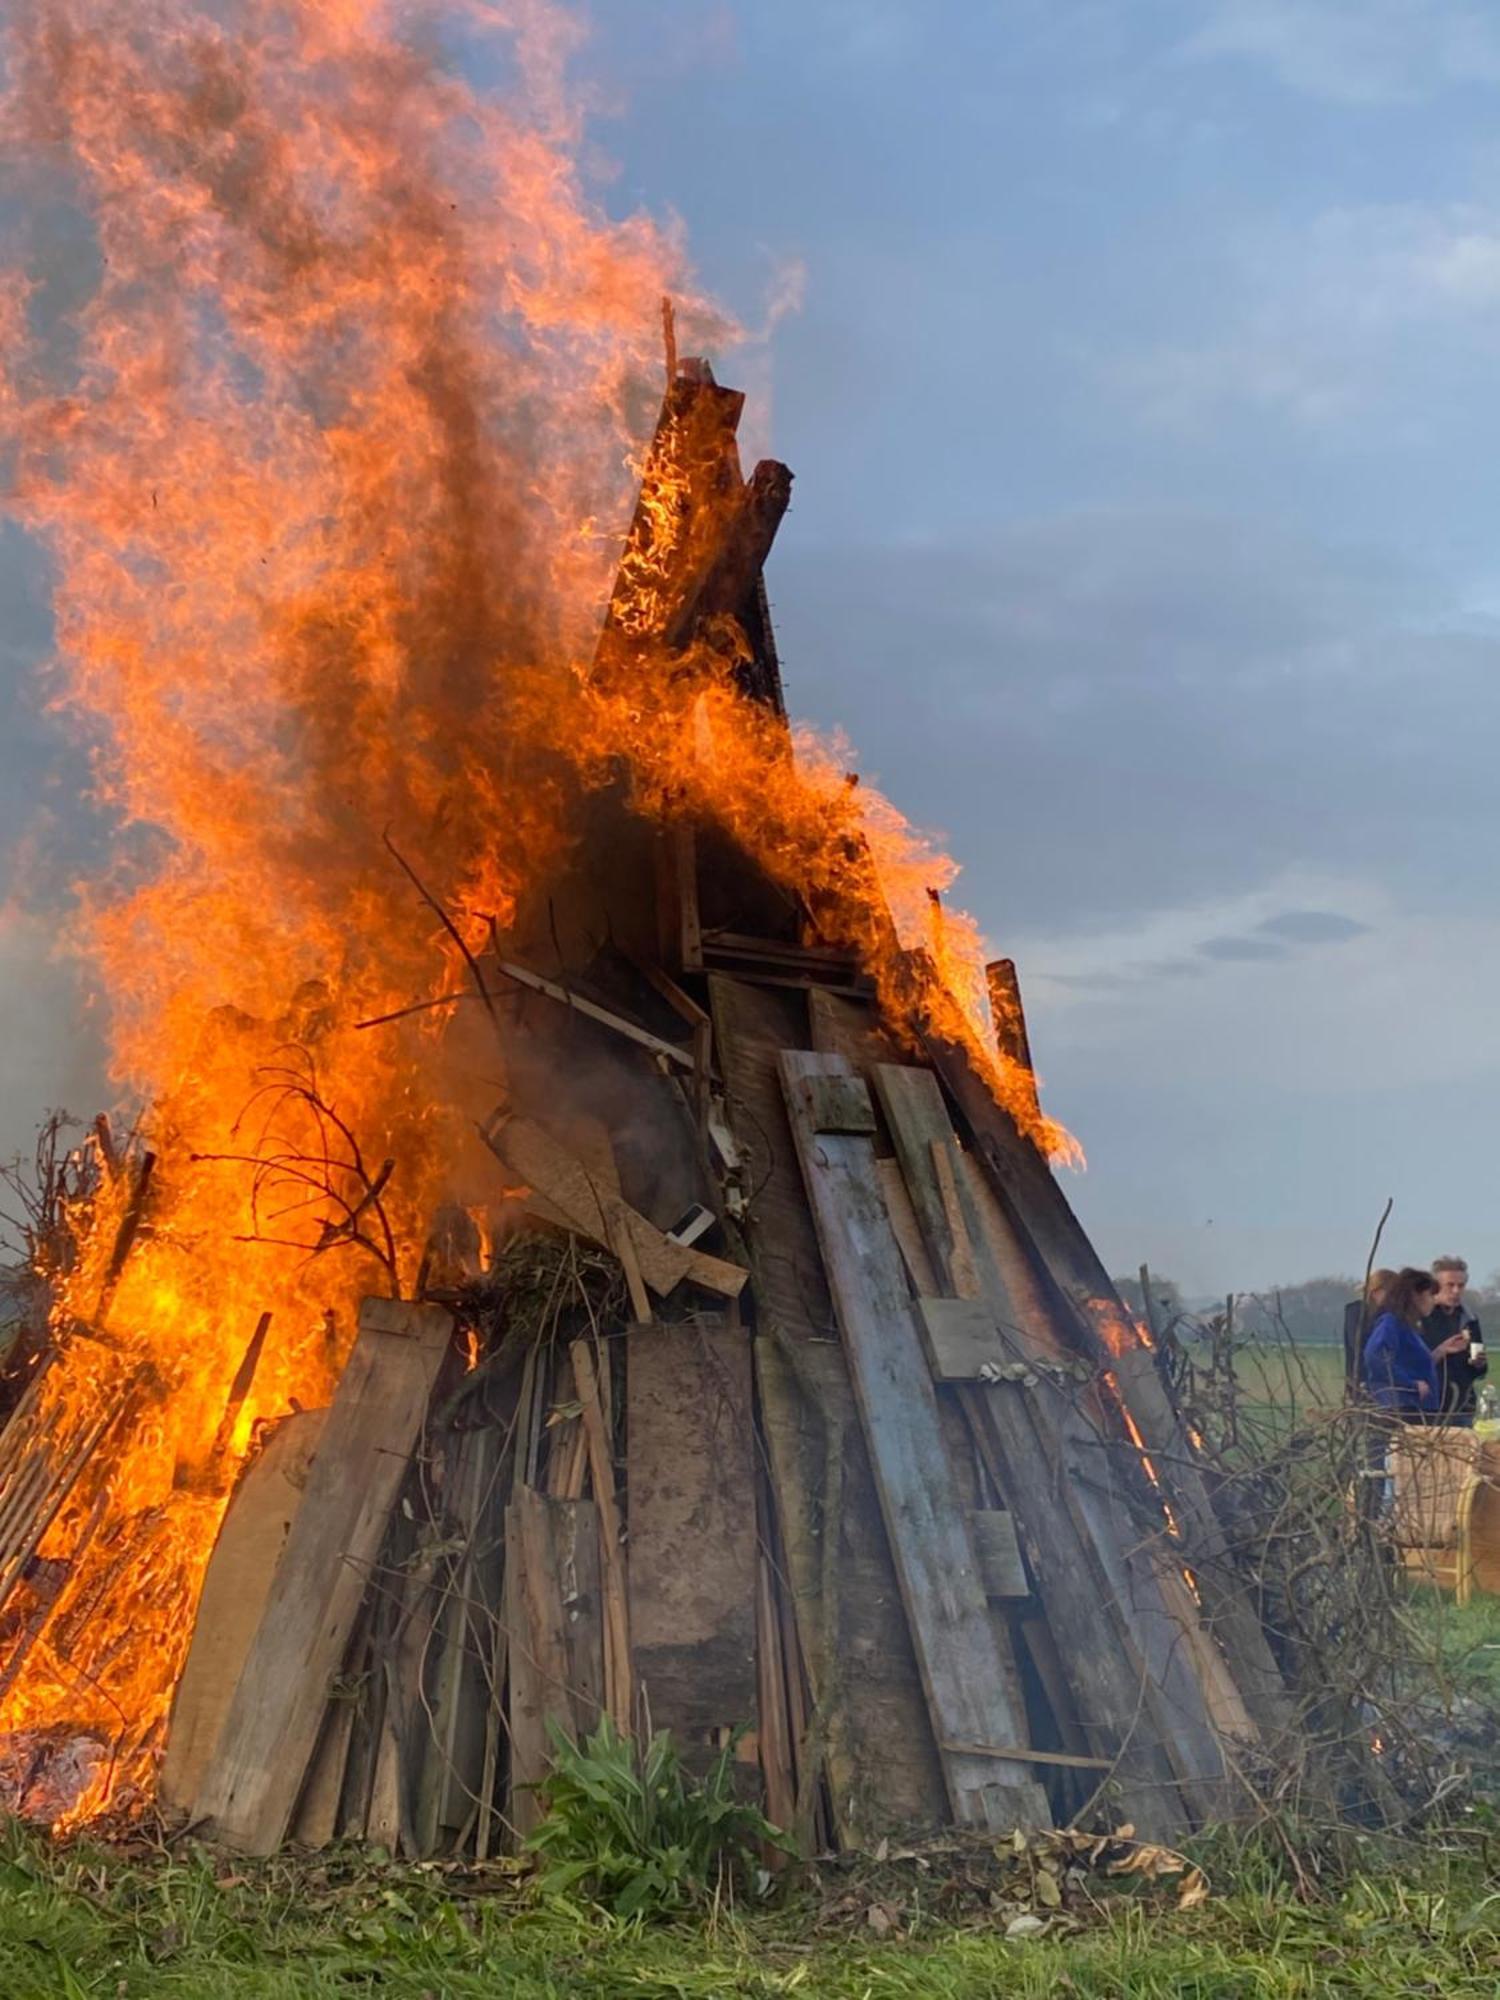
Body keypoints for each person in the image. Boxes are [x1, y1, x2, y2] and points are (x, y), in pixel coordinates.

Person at [1362, 1267, 1465, 1420]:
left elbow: (1409, 1364)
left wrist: (1440, 1351)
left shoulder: (1406, 1327)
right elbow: (1375, 1356)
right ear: (1415, 1296)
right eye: (1430, 1295)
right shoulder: (1391, 1323)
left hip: (1416, 1408)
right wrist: (1409, 1384)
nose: (1434, 1300)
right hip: (1401, 1408)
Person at [1421, 1256, 1489, 1426]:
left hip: (1463, 1406)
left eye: (1461, 1285)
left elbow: (1479, 1371)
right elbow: (1410, 1364)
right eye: (1450, 1285)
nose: (1456, 1291)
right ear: (1435, 1286)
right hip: (1428, 1407)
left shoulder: (1470, 1319)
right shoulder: (1421, 1318)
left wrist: (1479, 1364)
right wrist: (1441, 1351)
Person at [1343, 1268, 1396, 1395]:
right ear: (1376, 1292)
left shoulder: (1392, 1315)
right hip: (1362, 1383)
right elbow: (1357, 1344)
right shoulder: (1357, 1312)